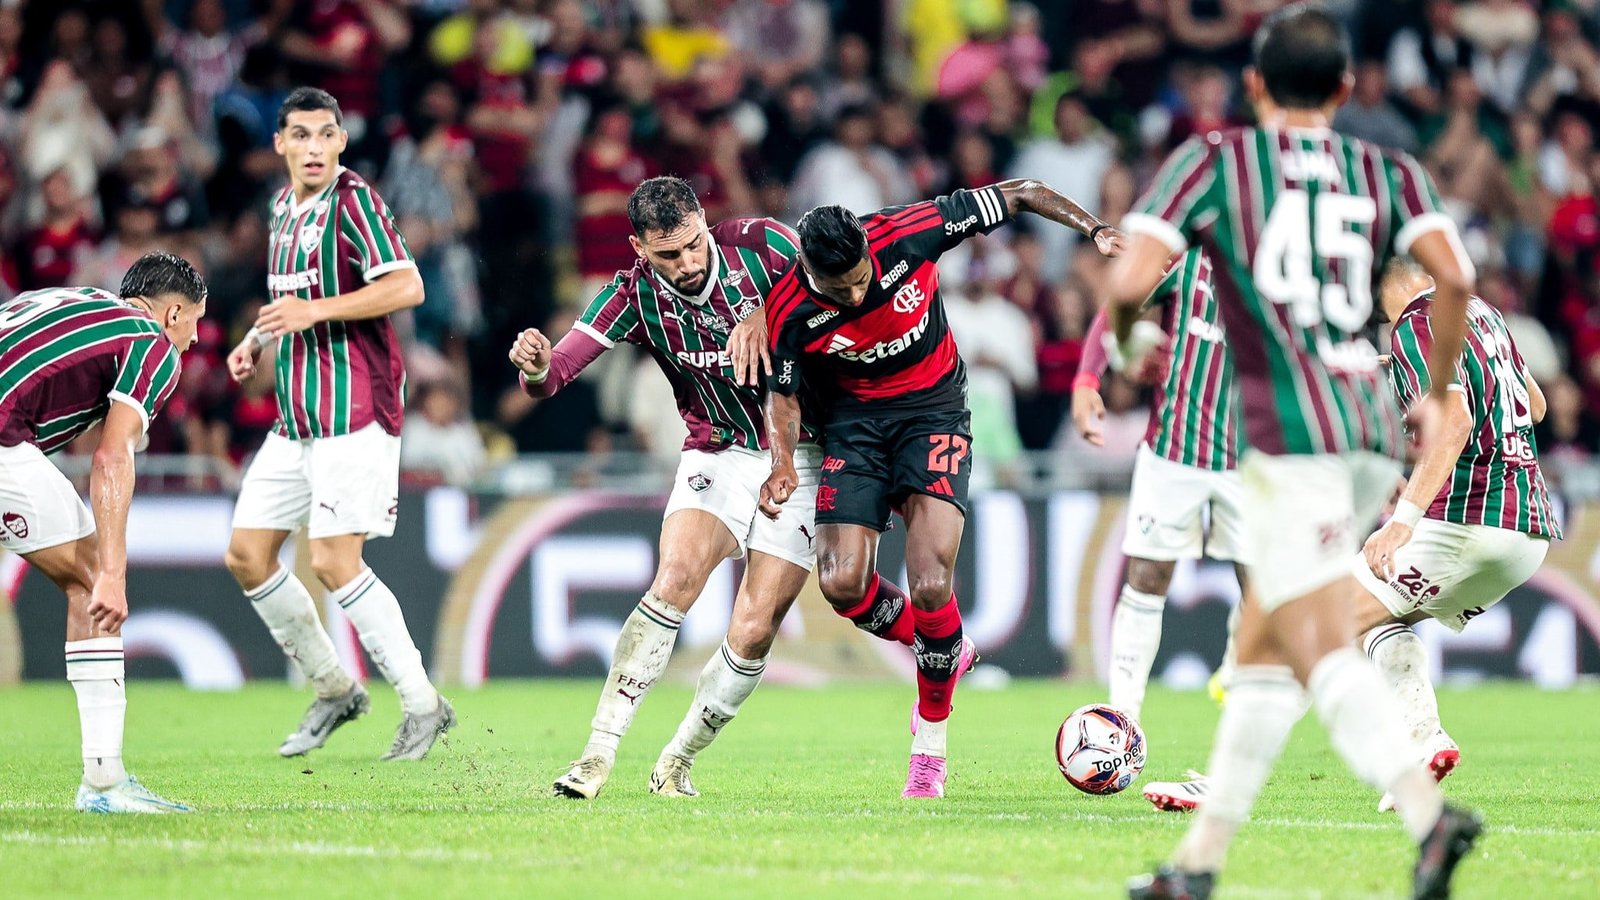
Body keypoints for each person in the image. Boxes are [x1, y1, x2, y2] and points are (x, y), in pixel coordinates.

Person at [1105, 7, 1482, 898]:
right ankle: (1196, 868)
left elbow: (1127, 280)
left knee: (1306, 643)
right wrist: (1432, 390)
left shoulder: (1216, 160)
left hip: (1285, 435)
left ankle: (1429, 820)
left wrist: (1125, 342)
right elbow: (1458, 277)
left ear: (1253, 85)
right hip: (1363, 423)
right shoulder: (1385, 169)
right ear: (1347, 90)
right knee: (1274, 642)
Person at [1142, 261, 1563, 820]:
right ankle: (1422, 737)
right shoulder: (1482, 314)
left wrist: (1403, 520)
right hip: (1527, 532)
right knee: (1373, 622)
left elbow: (1456, 423)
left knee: (1300, 624)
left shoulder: (1415, 323)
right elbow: (1534, 406)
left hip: (1470, 519)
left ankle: (1224, 786)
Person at [761, 182, 1123, 799]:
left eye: (861, 279)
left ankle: (929, 749)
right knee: (841, 583)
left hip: (934, 412)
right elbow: (785, 393)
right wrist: (783, 461)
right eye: (839, 289)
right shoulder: (789, 308)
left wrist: (1093, 230)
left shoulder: (907, 231)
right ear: (807, 271)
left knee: (931, 582)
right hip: (855, 427)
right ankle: (945, 646)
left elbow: (1025, 193)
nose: (856, 294)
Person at [508, 176, 821, 800]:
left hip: (806, 452)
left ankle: (677, 761)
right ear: (638, 247)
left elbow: (842, 279)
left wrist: (772, 308)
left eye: (692, 246)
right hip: (721, 449)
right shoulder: (629, 295)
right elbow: (558, 373)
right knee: (675, 580)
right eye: (667, 255)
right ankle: (595, 757)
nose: (686, 264)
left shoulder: (766, 248)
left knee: (754, 629)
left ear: (706, 222)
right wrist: (538, 369)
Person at [223, 87, 453, 762]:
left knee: (331, 560)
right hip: (296, 417)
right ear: (281, 145)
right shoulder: (281, 208)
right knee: (246, 554)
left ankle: (423, 704)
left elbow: (407, 285)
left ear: (343, 141)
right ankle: (333, 688)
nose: (315, 148)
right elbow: (288, 302)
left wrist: (316, 310)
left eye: (327, 135)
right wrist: (256, 341)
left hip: (354, 411)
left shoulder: (355, 201)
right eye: (301, 135)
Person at [0, 252, 207, 812]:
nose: (192, 341)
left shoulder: (72, 300)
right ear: (172, 315)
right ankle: (104, 782)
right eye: (193, 323)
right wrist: (113, 572)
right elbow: (113, 457)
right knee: (90, 580)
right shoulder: (152, 345)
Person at [1074, 248, 1246, 725]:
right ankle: (1120, 718)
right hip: (1174, 449)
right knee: (1147, 577)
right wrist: (1089, 379)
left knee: (1261, 587)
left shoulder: (1292, 268)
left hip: (1253, 457)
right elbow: (1120, 304)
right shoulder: (1187, 258)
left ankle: (1238, 677)